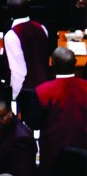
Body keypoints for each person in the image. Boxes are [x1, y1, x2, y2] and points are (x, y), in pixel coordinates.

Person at [32, 47, 87, 175]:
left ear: (52, 63)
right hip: (83, 153)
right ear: (75, 63)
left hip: (52, 155)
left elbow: (35, 123)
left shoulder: (41, 91)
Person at [3, 0, 49, 99]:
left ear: (10, 12)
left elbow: (17, 72)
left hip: (27, 93)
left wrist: (14, 98)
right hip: (44, 88)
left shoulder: (11, 35)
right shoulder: (42, 28)